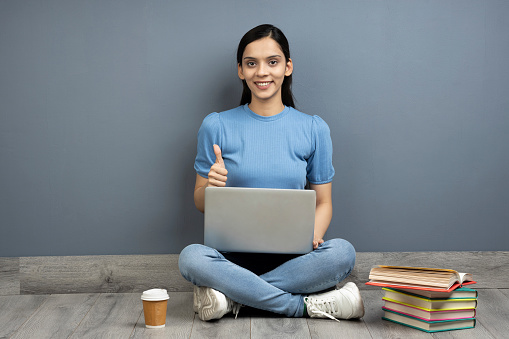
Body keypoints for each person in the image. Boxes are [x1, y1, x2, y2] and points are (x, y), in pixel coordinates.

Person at [178, 24, 364, 322]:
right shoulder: (216, 125)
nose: (262, 72)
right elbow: (201, 202)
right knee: (191, 257)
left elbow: (324, 202)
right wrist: (211, 188)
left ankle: (233, 298)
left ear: (287, 67)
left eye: (272, 62)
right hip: (230, 261)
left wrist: (314, 233)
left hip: (296, 261)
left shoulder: (313, 128)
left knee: (343, 252)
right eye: (251, 63)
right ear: (241, 70)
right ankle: (301, 306)